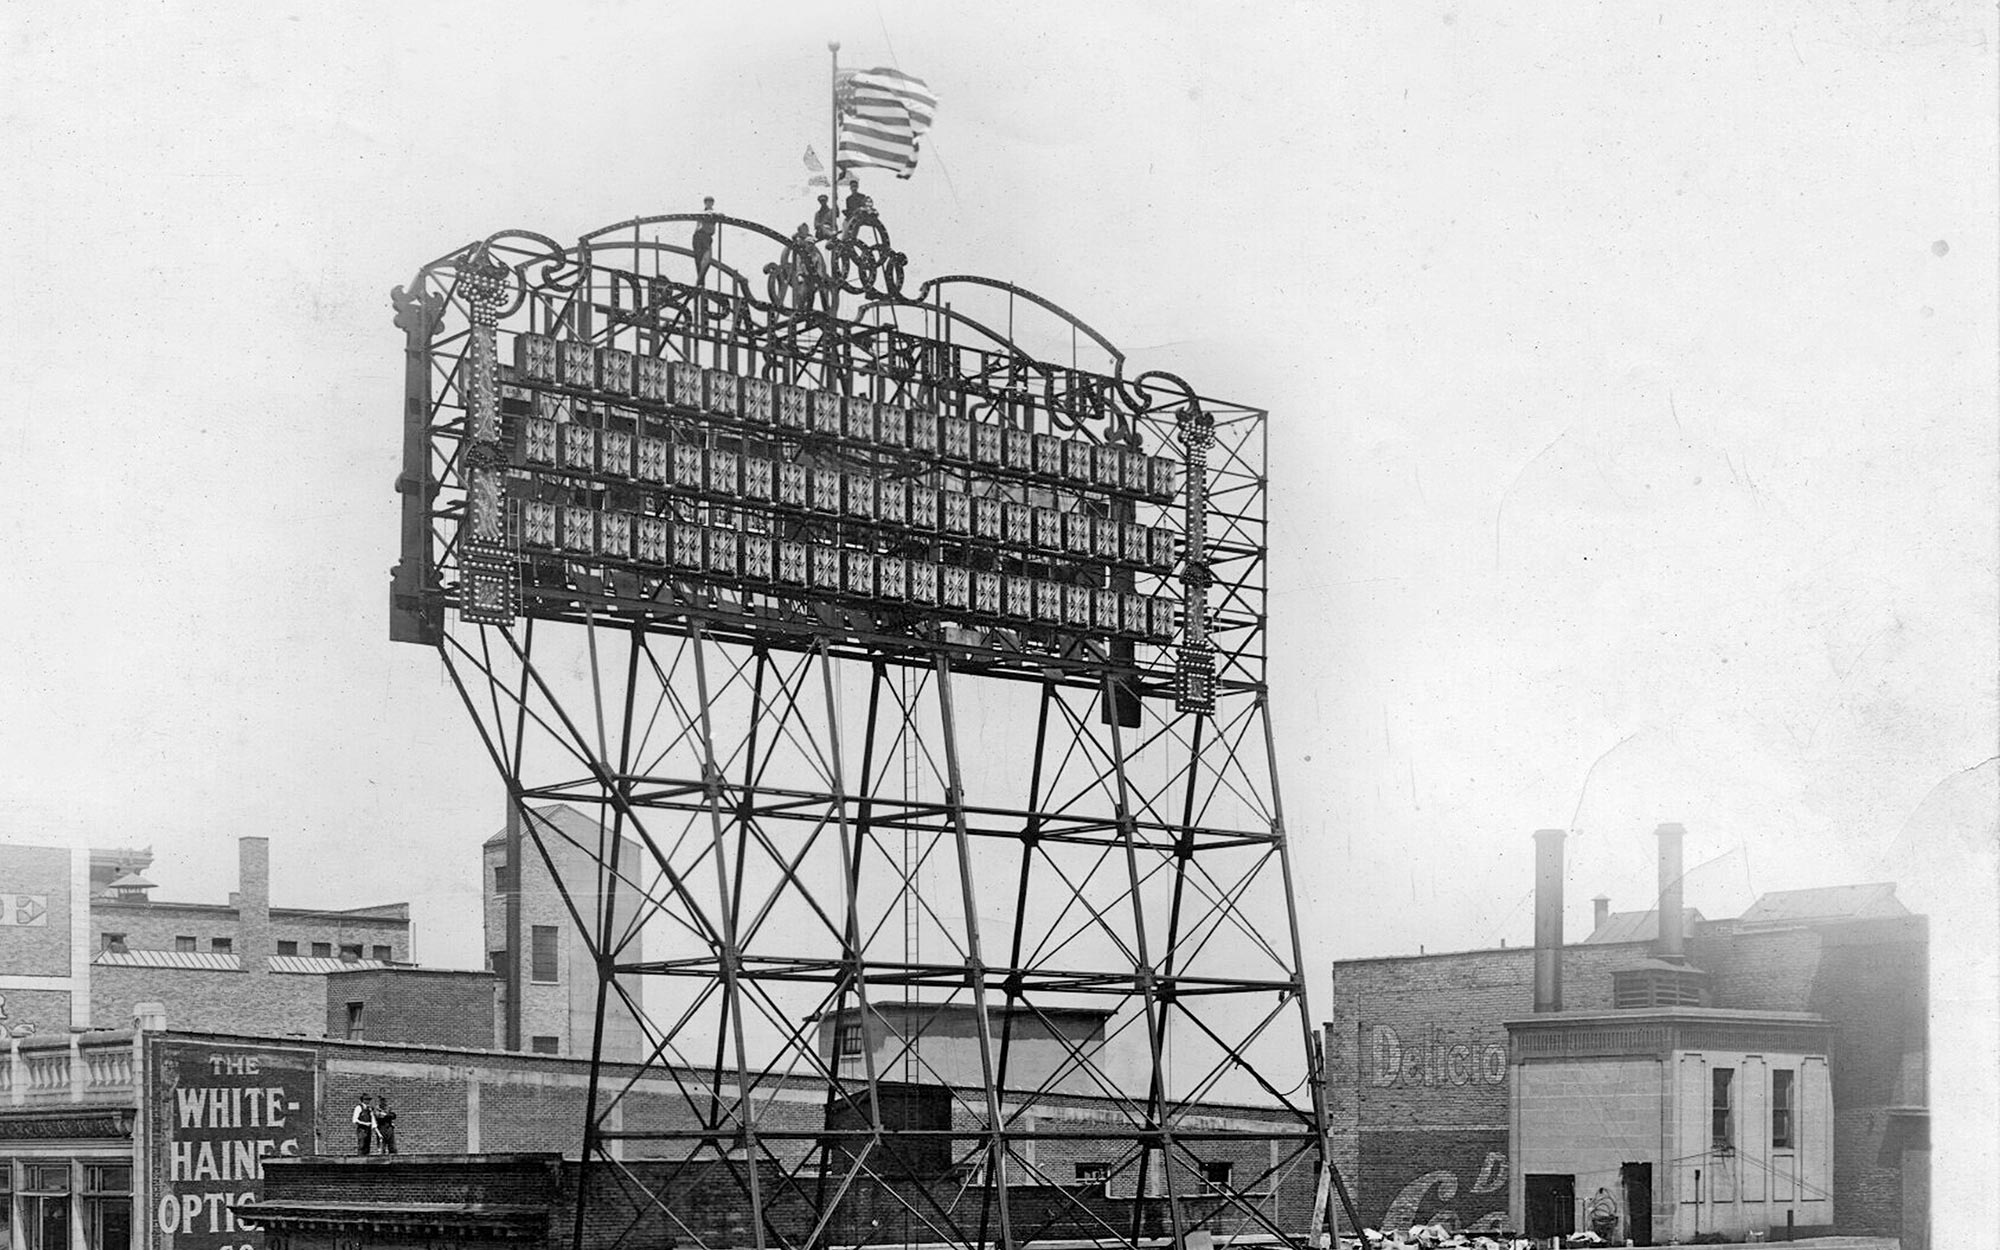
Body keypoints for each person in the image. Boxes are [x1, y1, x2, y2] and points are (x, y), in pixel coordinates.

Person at [692, 197, 717, 282]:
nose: (709, 204)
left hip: (707, 237)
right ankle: (700, 281)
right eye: (707, 202)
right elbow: (701, 214)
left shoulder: (714, 213)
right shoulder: (701, 212)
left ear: (712, 203)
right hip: (699, 236)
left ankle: (700, 281)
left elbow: (719, 214)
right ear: (705, 203)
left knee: (707, 259)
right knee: (699, 260)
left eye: (710, 202)